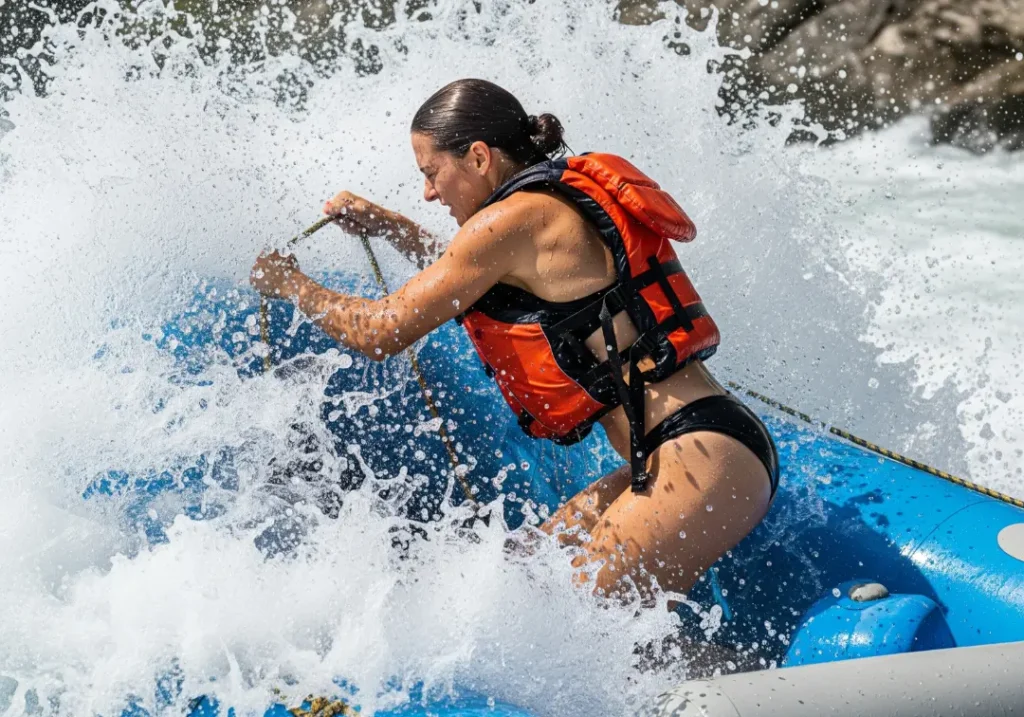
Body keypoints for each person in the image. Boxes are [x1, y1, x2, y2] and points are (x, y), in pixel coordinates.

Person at [250, 79, 779, 602]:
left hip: (699, 451)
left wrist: (290, 284)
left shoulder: (513, 218)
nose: (429, 192)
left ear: (479, 157)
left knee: (578, 626)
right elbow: (478, 280)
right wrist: (388, 226)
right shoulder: (540, 209)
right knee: (525, 579)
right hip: (691, 447)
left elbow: (380, 329)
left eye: (432, 173)